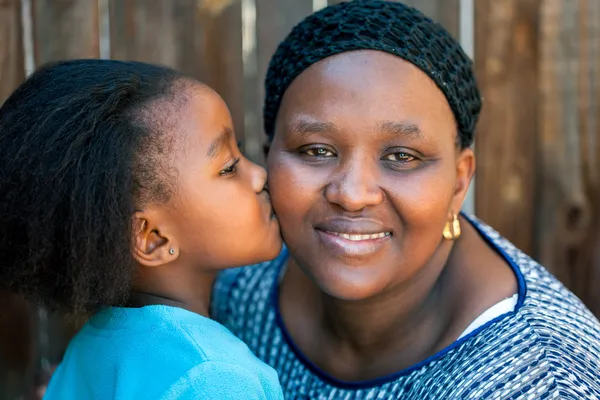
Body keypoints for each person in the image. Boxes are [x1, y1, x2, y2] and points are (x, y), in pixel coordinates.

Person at [211, 1, 600, 398]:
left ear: (458, 181)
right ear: (270, 154)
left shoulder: (537, 381)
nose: (352, 195)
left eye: (402, 157)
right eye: (316, 150)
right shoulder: (234, 283)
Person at [0, 59, 284, 399]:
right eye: (229, 168)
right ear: (152, 239)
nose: (259, 176)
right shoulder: (214, 376)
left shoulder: (92, 347)